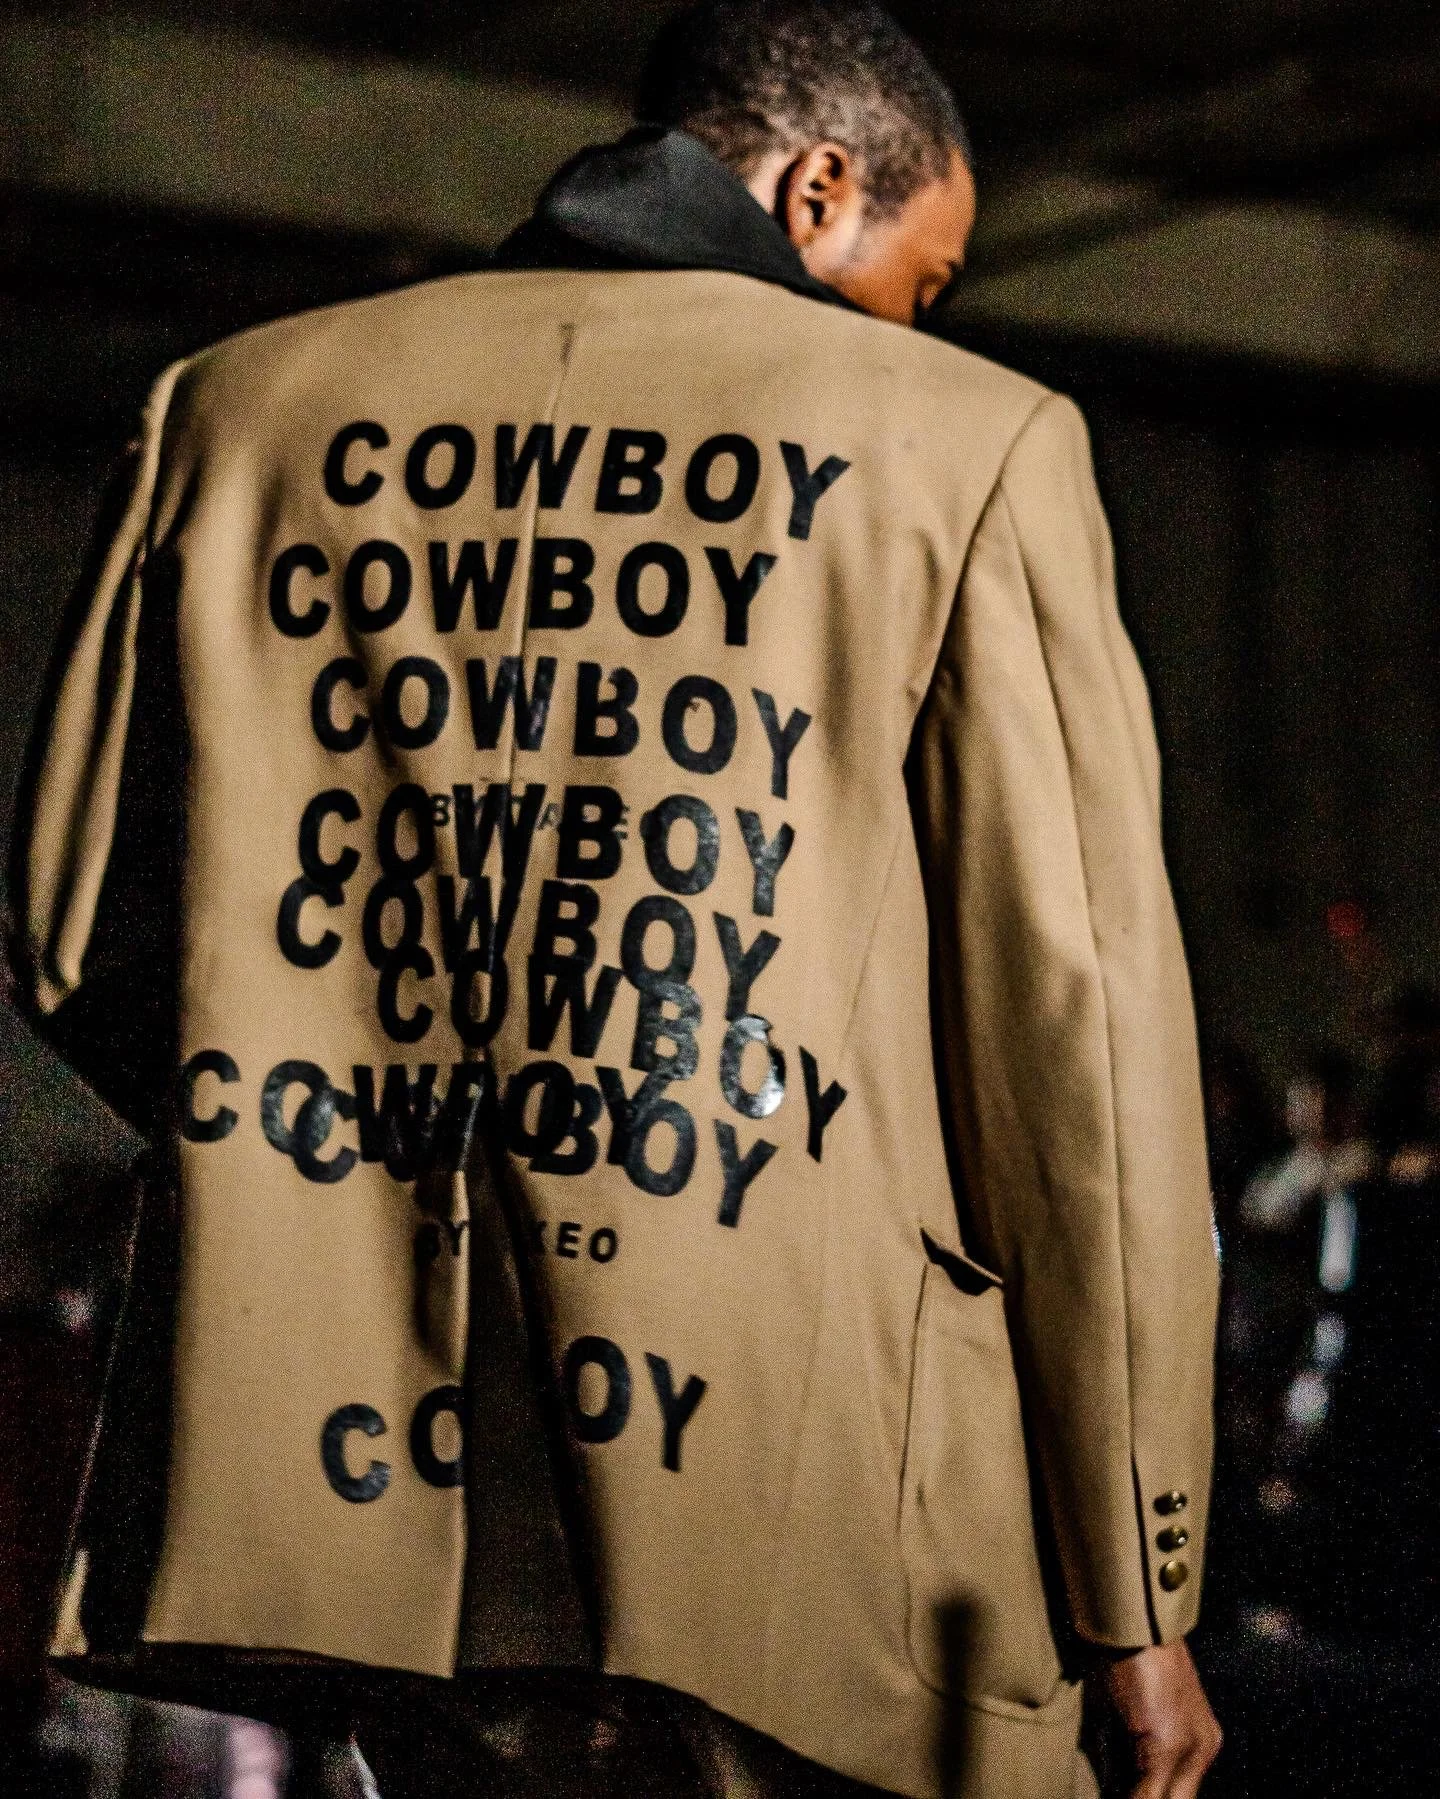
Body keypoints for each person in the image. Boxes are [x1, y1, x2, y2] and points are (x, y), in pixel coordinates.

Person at [11, 3, 1222, 1796]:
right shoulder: (969, 445)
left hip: (380, 1512)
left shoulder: (238, 407)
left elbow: (70, 927)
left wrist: (349, 1129)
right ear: (821, 189)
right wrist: (1141, 1592)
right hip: (822, 1520)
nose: (925, 316)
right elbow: (1082, 1054)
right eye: (929, 270)